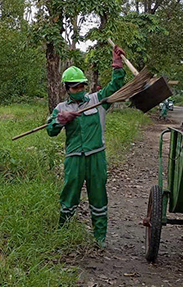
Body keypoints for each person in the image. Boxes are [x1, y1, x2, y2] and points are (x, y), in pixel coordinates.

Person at [46, 46, 126, 248]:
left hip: (96, 157)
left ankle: (100, 238)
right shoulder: (61, 108)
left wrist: (117, 64)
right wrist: (61, 120)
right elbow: (50, 130)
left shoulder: (96, 100)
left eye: (82, 86)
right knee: (69, 194)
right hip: (74, 158)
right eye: (75, 88)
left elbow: (115, 86)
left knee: (98, 195)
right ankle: (63, 233)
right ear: (67, 89)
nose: (79, 90)